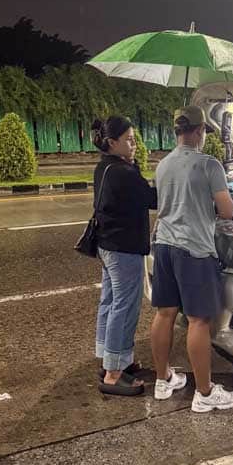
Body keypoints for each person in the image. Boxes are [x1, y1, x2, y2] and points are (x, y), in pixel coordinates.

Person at [150, 105, 233, 413]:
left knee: (164, 314)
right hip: (194, 251)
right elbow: (227, 211)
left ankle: (163, 380)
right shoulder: (208, 165)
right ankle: (205, 393)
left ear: (177, 131)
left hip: (164, 246)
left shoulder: (163, 165)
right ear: (200, 131)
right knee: (198, 320)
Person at [91, 115, 157, 396]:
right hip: (124, 248)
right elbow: (152, 198)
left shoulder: (104, 167)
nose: (134, 144)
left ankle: (110, 360)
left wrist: (133, 163)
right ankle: (114, 374)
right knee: (125, 306)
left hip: (108, 245)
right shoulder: (123, 173)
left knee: (110, 302)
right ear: (111, 142)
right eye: (129, 140)